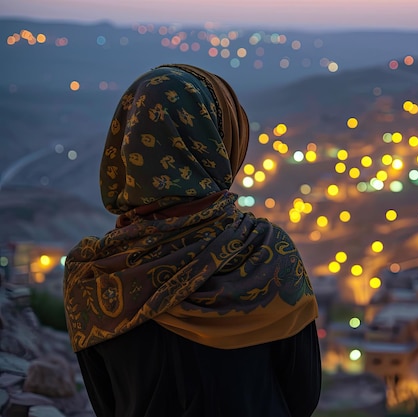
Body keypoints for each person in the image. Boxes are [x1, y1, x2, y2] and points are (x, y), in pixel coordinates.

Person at [63, 64, 321, 417]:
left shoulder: (95, 274)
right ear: (218, 142)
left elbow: (107, 403)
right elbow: (303, 395)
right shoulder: (265, 253)